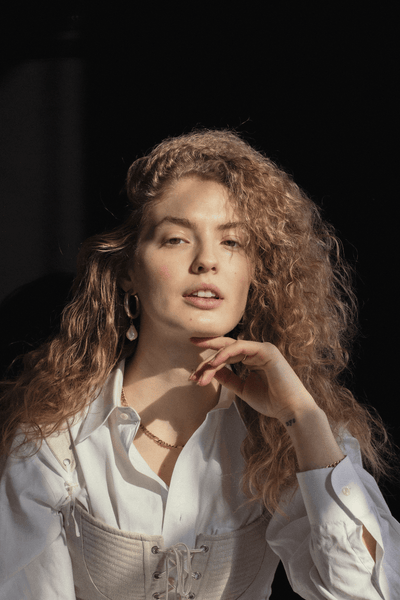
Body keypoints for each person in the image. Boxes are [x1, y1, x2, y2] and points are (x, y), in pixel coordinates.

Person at [0, 129, 399, 600]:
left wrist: (302, 419)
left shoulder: (294, 432)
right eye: (176, 239)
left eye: (232, 242)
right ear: (129, 269)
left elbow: (367, 593)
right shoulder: (54, 434)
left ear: (256, 274)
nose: (208, 260)